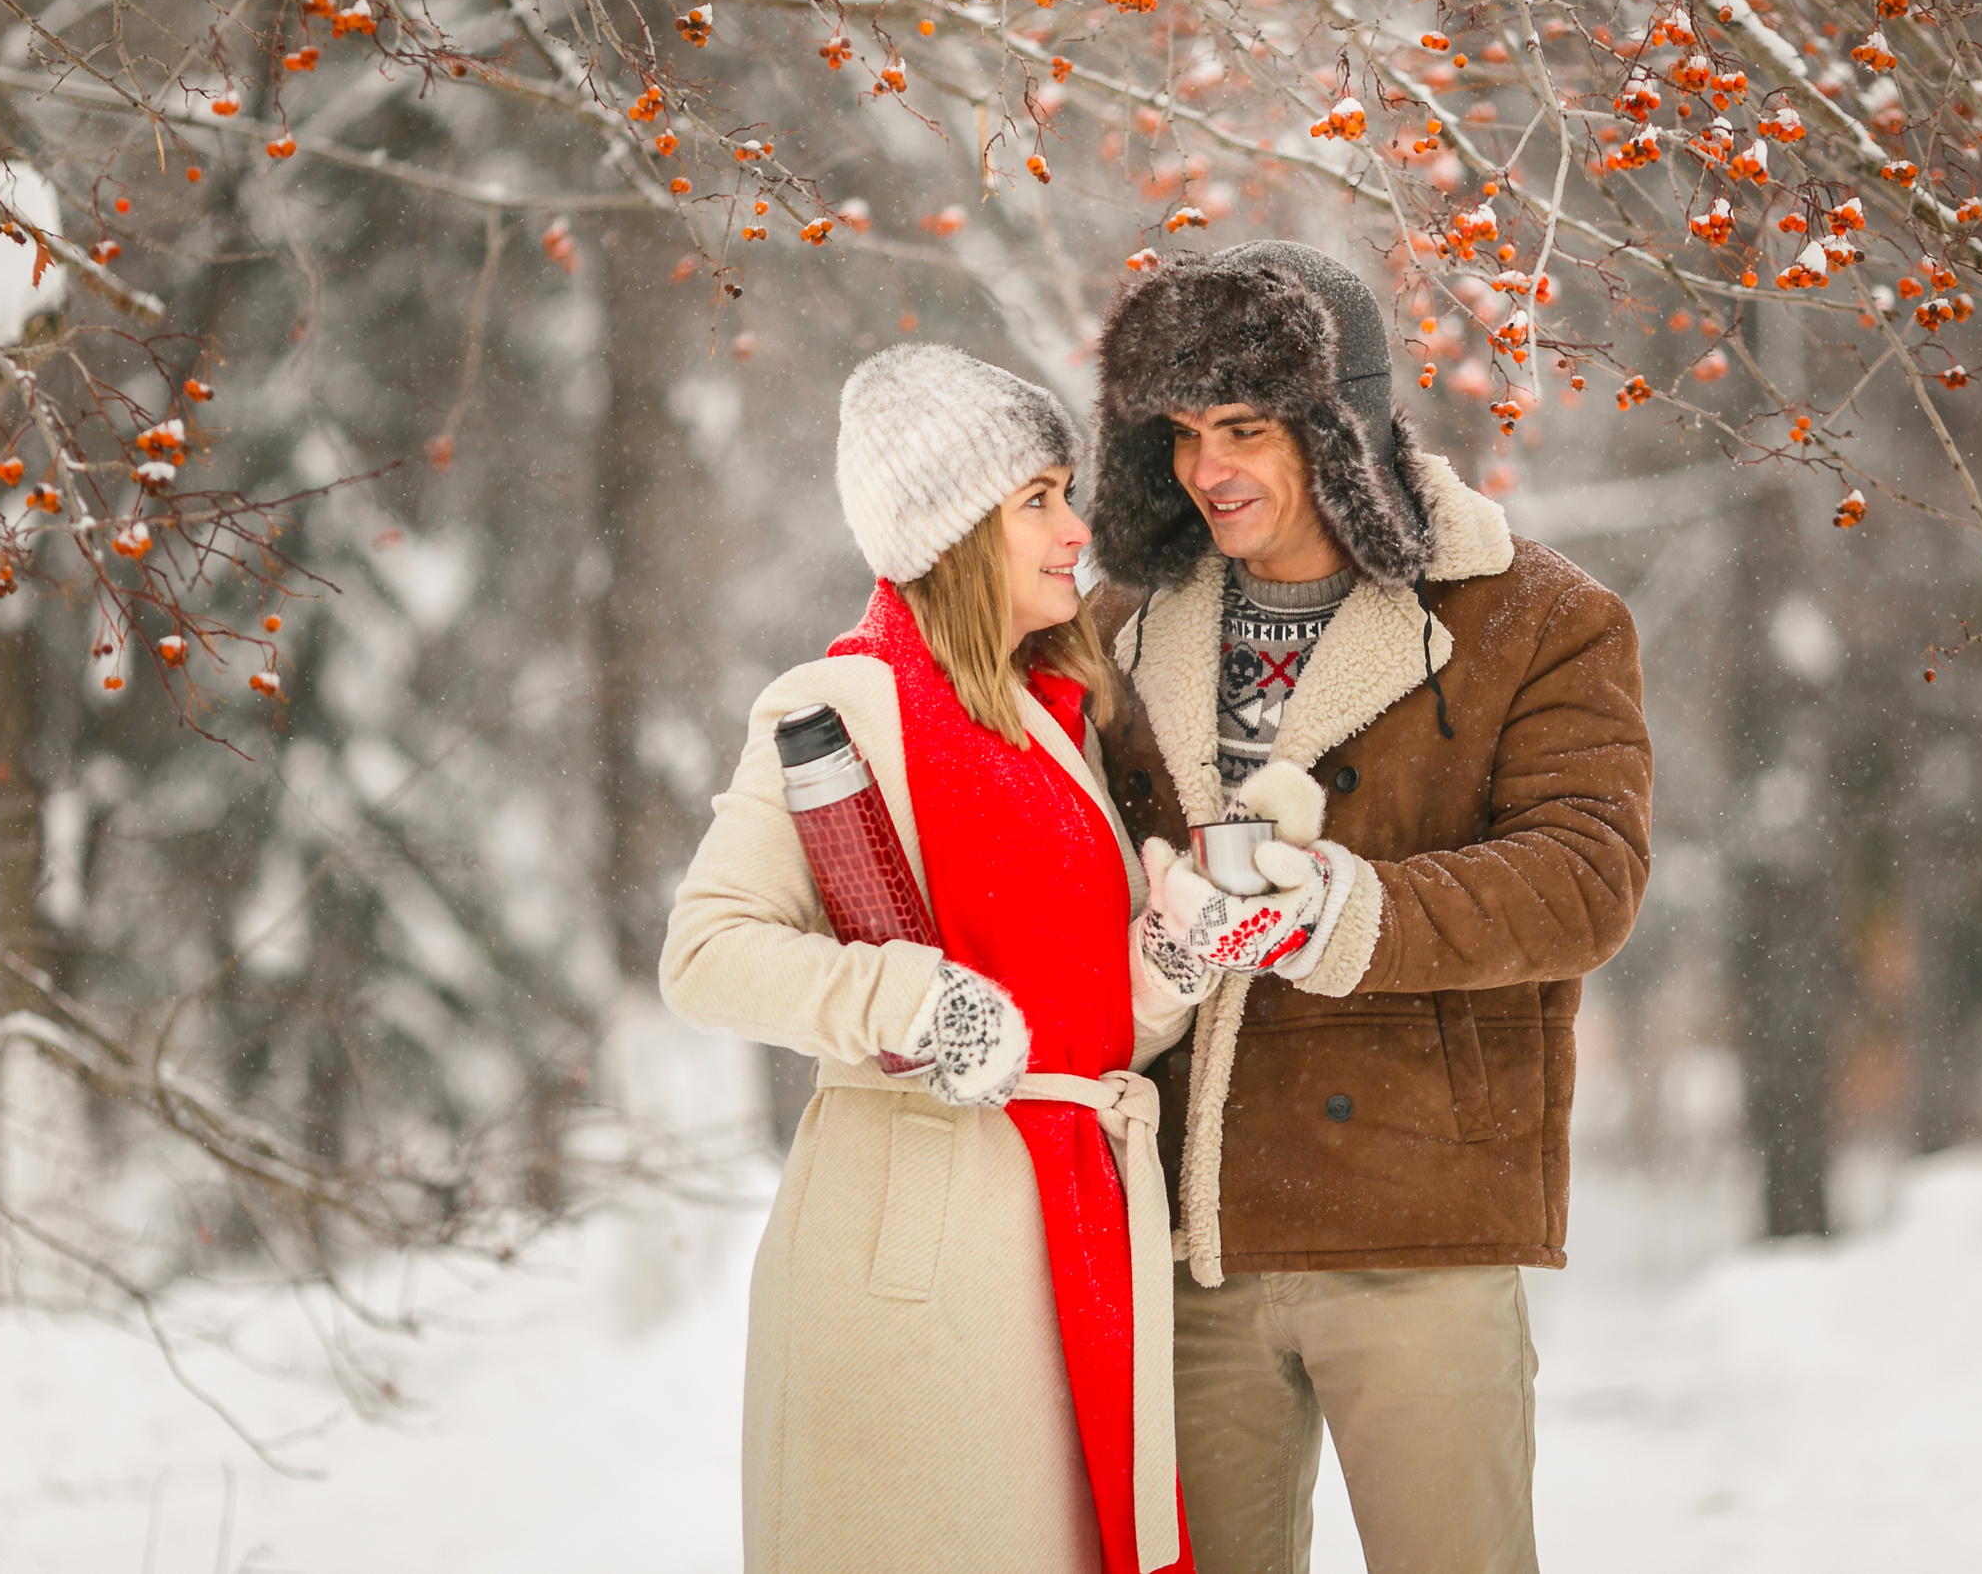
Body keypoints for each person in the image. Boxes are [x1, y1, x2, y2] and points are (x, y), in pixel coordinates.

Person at [1083, 242, 1655, 1574]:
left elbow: (1585, 876)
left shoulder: (1539, 617)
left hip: (1420, 1223)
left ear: (1340, 426)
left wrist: (1340, 909)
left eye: (1242, 427)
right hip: (1189, 1232)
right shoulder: (1119, 626)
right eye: (1177, 431)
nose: (1203, 468)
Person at [660, 344, 1212, 1574]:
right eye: (1038, 502)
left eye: (1065, 494)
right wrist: (915, 1000)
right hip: (915, 1242)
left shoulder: (1050, 721)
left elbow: (1079, 1019)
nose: (1076, 531)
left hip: (1073, 1226)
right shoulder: (842, 704)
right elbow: (706, 954)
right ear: (951, 531)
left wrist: (1167, 962)